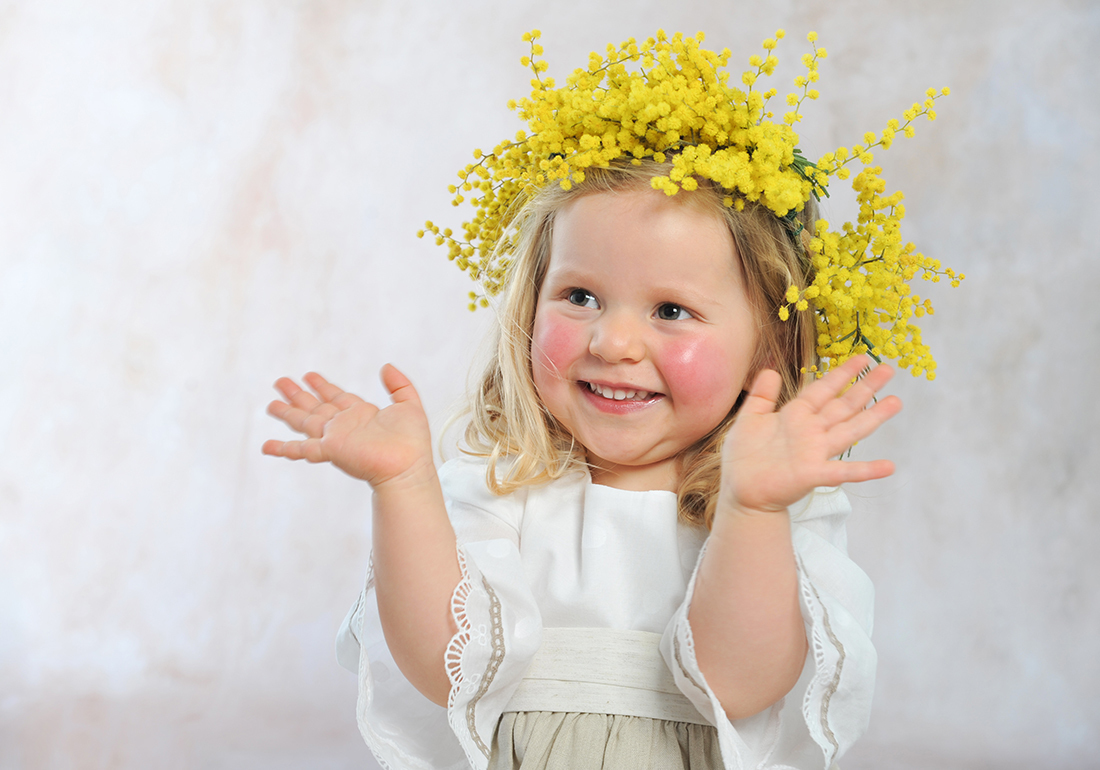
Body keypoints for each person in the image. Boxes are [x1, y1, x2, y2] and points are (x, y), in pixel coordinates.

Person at [263, 29, 955, 770]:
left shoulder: (763, 503)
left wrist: (753, 509)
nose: (614, 341)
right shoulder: (503, 483)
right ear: (529, 304)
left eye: (671, 311)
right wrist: (404, 485)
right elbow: (447, 669)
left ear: (768, 347)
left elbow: (739, 686)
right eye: (581, 295)